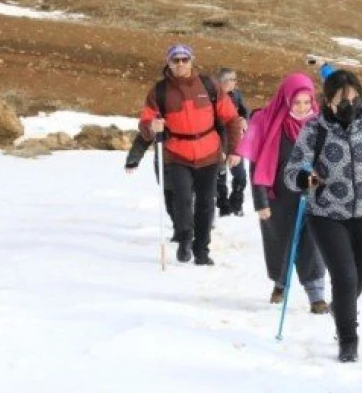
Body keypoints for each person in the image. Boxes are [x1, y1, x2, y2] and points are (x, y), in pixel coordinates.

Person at [283, 69, 362, 363]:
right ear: (327, 101)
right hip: (326, 213)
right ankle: (348, 339)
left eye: (354, 99)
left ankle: (342, 308)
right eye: (342, 101)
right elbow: (292, 172)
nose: (349, 106)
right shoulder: (315, 129)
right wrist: (305, 179)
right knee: (345, 275)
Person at [137, 44, 243, 265]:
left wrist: (234, 149)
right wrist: (151, 126)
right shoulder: (159, 91)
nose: (180, 64)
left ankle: (202, 250)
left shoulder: (209, 85)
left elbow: (231, 118)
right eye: (175, 60)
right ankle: (184, 238)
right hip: (177, 154)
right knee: (182, 200)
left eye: (184, 59)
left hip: (209, 153)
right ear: (169, 63)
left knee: (206, 203)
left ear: (191, 60)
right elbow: (146, 121)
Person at [237, 73, 329, 314]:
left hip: (314, 196)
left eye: (307, 102)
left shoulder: (322, 125)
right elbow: (257, 166)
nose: (302, 108)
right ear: (286, 99)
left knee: (314, 244)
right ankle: (281, 283)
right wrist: (260, 202)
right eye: (296, 102)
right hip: (278, 199)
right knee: (282, 244)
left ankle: (316, 295)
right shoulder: (266, 122)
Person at [125, 133, 178, 241]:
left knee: (190, 200)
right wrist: (133, 159)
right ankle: (180, 231)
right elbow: (144, 137)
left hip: (195, 163)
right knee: (171, 202)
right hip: (166, 164)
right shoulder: (158, 117)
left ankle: (196, 230)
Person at [215, 68, 250, 217]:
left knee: (240, 174)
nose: (236, 82)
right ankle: (223, 205)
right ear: (224, 81)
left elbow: (244, 111)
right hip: (217, 138)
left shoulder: (236, 94)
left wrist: (244, 120)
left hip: (234, 138)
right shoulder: (212, 96)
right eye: (233, 79)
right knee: (220, 174)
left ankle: (236, 203)